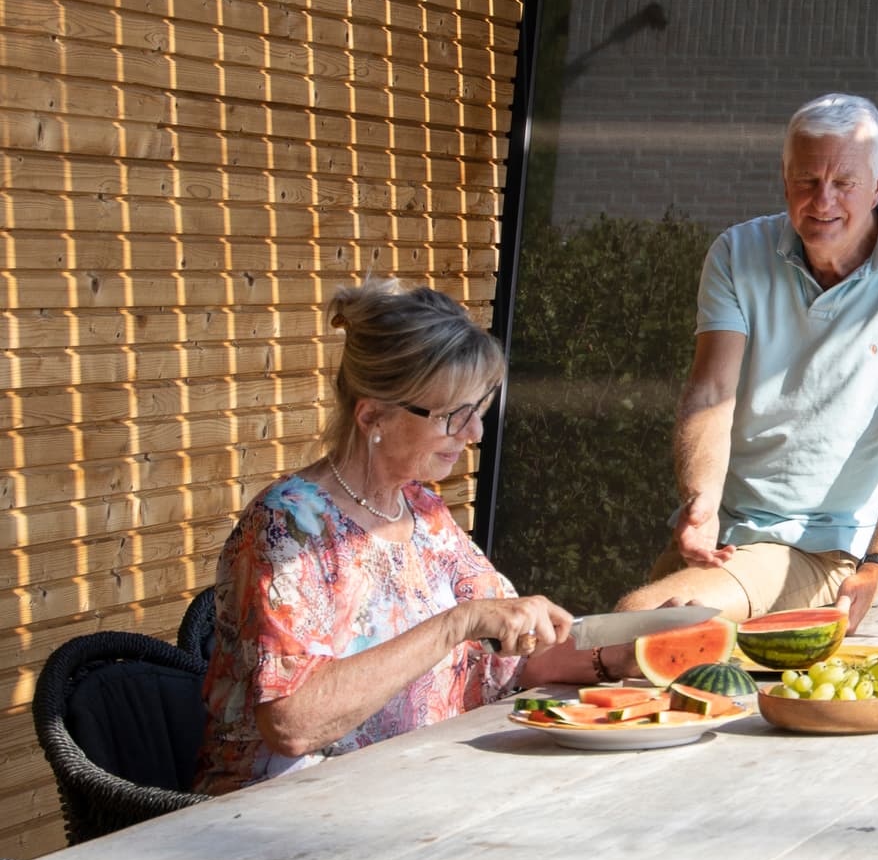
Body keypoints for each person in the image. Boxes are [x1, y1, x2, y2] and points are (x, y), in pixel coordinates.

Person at [196, 280, 596, 796]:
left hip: (419, 789)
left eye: (480, 408)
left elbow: (514, 656)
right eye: (455, 415)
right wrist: (456, 623)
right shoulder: (288, 528)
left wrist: (614, 653)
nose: (475, 432)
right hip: (287, 816)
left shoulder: (423, 512)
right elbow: (293, 724)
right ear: (373, 416)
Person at [618, 93, 878, 629]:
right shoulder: (737, 254)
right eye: (806, 180)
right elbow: (712, 393)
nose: (822, 199)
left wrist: (877, 566)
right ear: (784, 179)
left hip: (826, 551)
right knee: (610, 643)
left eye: (843, 182)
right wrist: (701, 501)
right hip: (726, 536)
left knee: (639, 621)